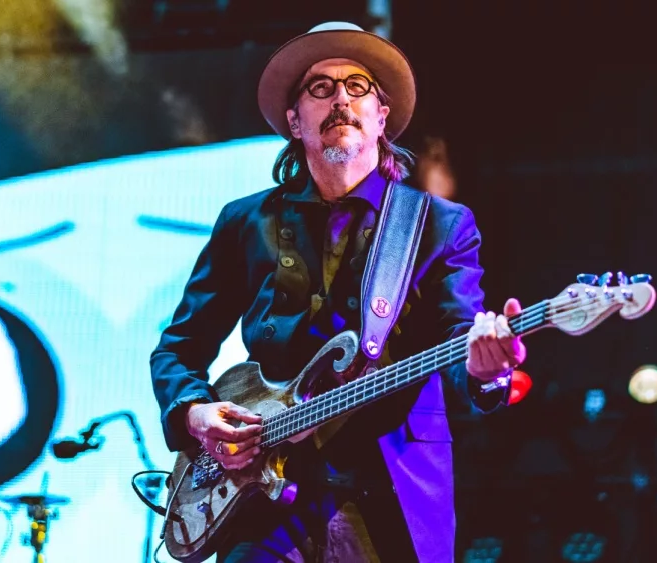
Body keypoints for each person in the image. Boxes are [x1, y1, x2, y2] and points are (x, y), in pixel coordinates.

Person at [150, 21, 527, 562]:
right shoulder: (245, 222)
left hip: (387, 495)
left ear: (382, 118)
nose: (341, 100)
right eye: (320, 89)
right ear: (295, 121)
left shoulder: (439, 225)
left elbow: (458, 341)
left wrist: (487, 370)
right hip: (260, 502)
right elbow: (177, 349)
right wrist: (193, 413)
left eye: (358, 87)